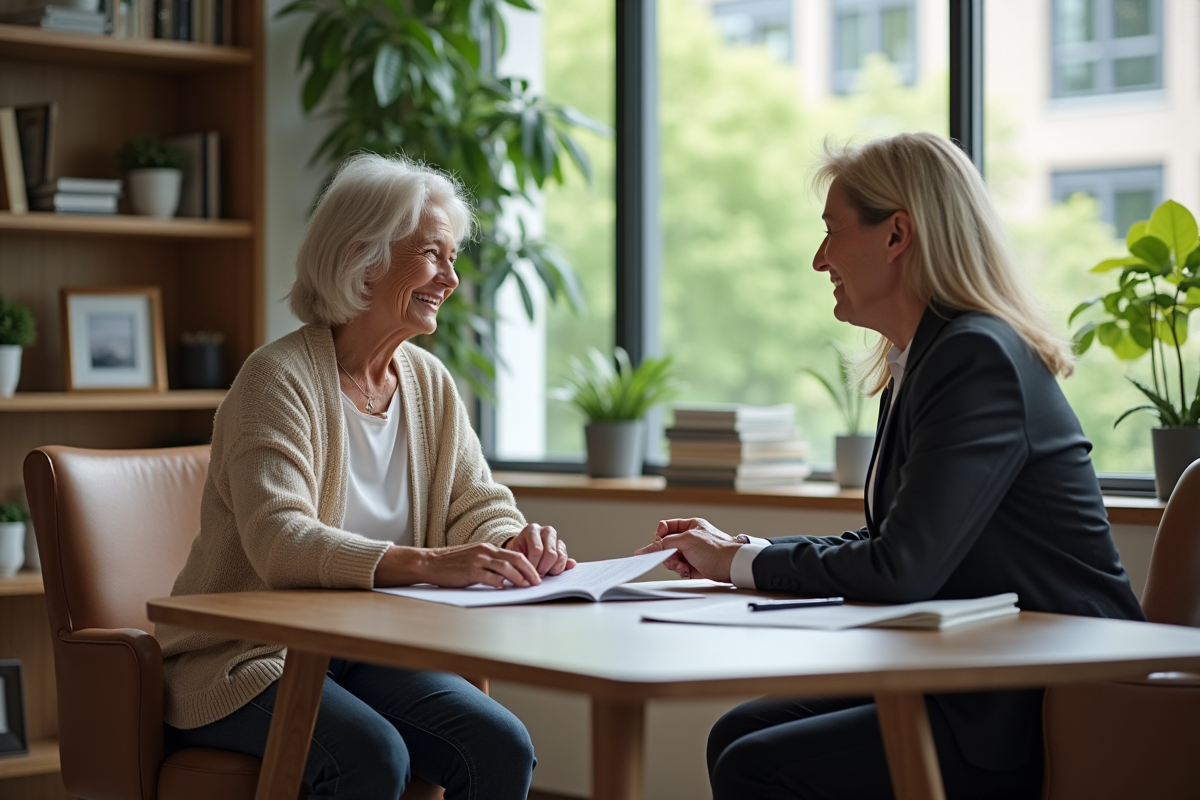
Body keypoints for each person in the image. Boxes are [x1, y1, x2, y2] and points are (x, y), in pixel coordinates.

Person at [636, 132, 1144, 800]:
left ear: (896, 235)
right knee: (736, 734)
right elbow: (900, 545)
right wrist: (744, 550)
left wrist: (740, 564)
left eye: (831, 233)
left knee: (755, 764)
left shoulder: (975, 358)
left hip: (1051, 699)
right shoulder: (919, 360)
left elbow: (901, 568)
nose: (819, 260)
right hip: (979, 677)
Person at [157, 153, 574, 800]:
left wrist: (515, 543)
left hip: (369, 651)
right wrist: (431, 564)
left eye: (453, 258)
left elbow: (477, 504)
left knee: (499, 746)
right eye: (434, 254)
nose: (451, 278)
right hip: (251, 657)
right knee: (370, 756)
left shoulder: (429, 383)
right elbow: (280, 541)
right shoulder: (277, 379)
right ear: (363, 257)